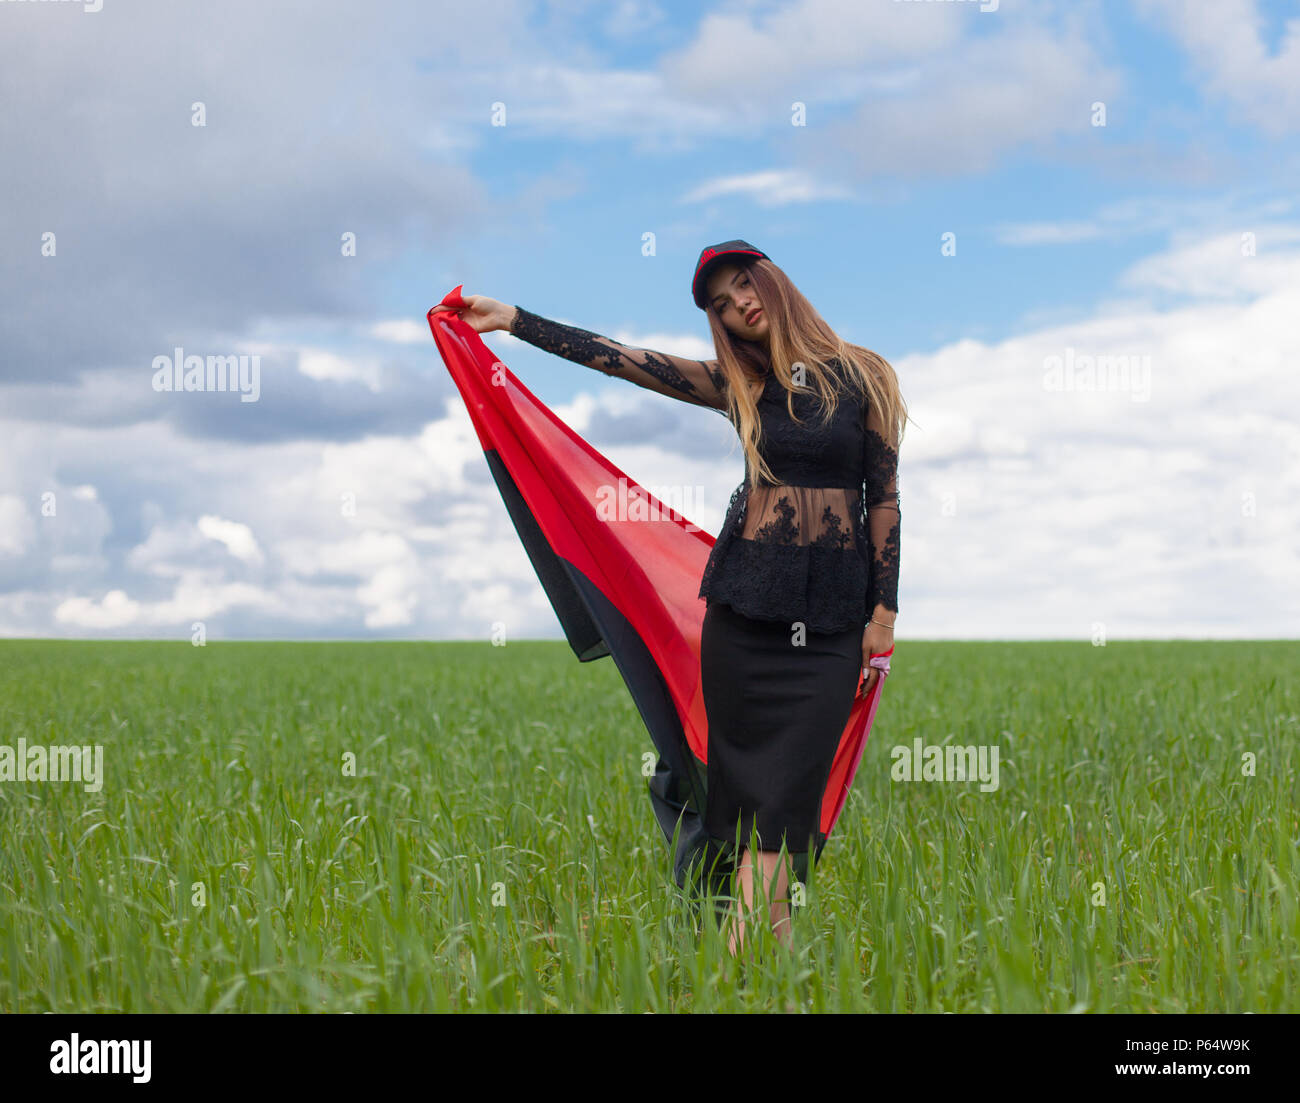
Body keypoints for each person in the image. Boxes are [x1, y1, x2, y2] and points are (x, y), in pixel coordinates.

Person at [431, 241, 906, 956]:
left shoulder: (866, 374)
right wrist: (515, 320)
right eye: (721, 303)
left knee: (782, 815)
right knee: (754, 823)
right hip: (741, 621)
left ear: (774, 282)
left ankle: (735, 976)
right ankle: (760, 982)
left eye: (745, 284)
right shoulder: (736, 385)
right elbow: (620, 359)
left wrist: (883, 612)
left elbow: (884, 499)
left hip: (833, 629)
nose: (739, 303)